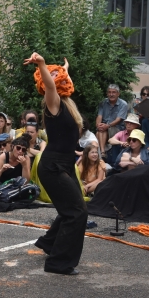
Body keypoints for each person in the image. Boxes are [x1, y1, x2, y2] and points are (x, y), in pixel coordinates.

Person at [25, 52, 87, 276]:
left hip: (65, 164)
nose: (59, 78)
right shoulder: (53, 103)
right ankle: (58, 263)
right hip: (52, 167)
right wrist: (42, 64)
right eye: (53, 76)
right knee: (77, 212)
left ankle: (49, 243)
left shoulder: (68, 104)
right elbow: (52, 86)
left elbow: (62, 80)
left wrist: (65, 68)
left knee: (69, 209)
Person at [95, 84, 128, 156]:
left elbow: (118, 120)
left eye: (113, 92)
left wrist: (107, 126)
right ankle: (103, 153)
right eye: (109, 92)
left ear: (118, 94)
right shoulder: (103, 102)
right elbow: (99, 116)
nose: (111, 94)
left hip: (117, 128)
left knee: (101, 131)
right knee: (100, 131)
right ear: (107, 93)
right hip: (105, 127)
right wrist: (98, 125)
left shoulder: (123, 104)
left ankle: (101, 153)